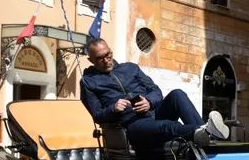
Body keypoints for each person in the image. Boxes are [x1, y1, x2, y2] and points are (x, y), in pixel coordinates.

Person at [79, 38, 229, 148]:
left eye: (108, 55)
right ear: (91, 60)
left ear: (111, 51)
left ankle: (205, 134)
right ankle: (207, 131)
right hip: (133, 124)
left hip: (154, 112)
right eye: (100, 58)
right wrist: (114, 108)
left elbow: (155, 90)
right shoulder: (88, 82)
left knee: (177, 94)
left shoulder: (130, 68)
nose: (106, 60)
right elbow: (97, 115)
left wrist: (149, 102)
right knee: (167, 126)